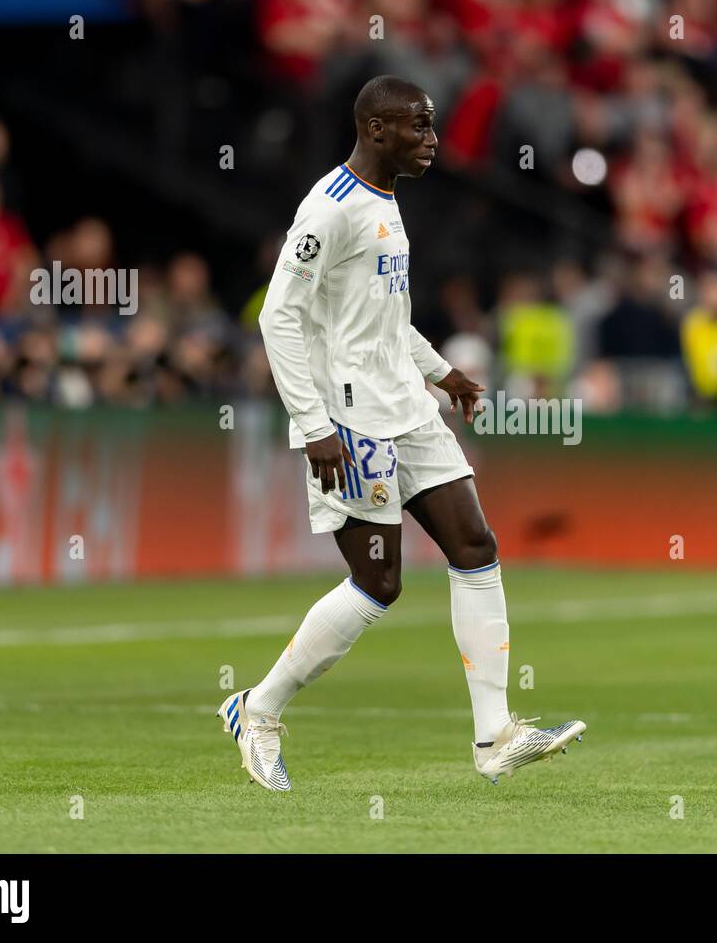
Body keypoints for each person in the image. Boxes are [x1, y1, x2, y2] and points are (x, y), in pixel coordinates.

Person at [218, 76, 585, 790]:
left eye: (432, 126)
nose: (432, 141)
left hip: (407, 407)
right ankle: (257, 709)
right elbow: (277, 317)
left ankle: (494, 737)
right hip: (350, 419)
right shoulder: (329, 210)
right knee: (379, 581)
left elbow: (384, 317)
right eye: (418, 128)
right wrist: (313, 423)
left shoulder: (387, 203)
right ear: (377, 130)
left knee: (475, 545)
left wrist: (442, 372)